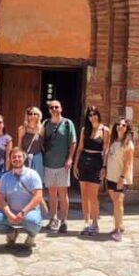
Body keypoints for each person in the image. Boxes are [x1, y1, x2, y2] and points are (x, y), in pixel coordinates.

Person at [0, 147, 44, 248]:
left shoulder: (32, 175)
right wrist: (9, 215)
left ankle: (31, 236)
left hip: (29, 213)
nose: (17, 159)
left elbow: (38, 197)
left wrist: (23, 213)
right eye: (14, 157)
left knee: (33, 222)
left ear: (24, 158)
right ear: (10, 159)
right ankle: (12, 233)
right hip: (11, 213)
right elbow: (1, 198)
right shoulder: (5, 177)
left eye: (19, 157)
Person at [41, 100, 77, 234]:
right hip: (48, 163)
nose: (54, 109)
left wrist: (70, 158)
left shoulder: (68, 124)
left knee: (63, 193)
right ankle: (53, 218)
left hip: (63, 165)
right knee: (51, 193)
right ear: (49, 110)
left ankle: (64, 221)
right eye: (52, 107)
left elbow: (73, 142)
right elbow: (39, 139)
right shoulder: (45, 124)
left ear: (61, 108)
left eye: (57, 107)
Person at [74, 106, 110, 236]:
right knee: (84, 195)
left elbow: (105, 150)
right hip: (84, 161)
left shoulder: (105, 130)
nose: (93, 117)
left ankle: (95, 223)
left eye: (95, 114)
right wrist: (75, 165)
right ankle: (86, 222)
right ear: (87, 117)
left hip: (96, 162)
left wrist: (104, 167)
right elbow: (79, 148)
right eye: (90, 115)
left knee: (93, 196)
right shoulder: (85, 130)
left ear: (98, 115)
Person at [106, 118, 135, 241]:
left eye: (123, 125)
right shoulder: (113, 141)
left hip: (120, 178)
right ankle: (119, 225)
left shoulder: (128, 144)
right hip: (111, 176)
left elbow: (128, 163)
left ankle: (118, 231)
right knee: (115, 202)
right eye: (118, 124)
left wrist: (122, 178)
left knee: (118, 202)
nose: (120, 126)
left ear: (127, 128)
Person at [18, 106, 44, 186]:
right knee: (25, 183)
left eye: (35, 114)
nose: (32, 116)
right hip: (26, 158)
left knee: (37, 183)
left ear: (38, 116)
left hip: (38, 158)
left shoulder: (41, 129)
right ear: (27, 116)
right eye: (30, 114)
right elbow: (19, 146)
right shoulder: (22, 129)